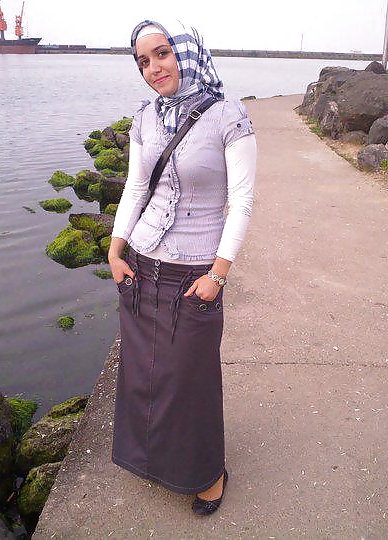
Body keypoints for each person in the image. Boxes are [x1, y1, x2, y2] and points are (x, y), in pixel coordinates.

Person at [106, 19, 257, 517]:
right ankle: (155, 462)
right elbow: (135, 189)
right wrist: (115, 250)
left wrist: (217, 275)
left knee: (190, 380)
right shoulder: (145, 117)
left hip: (193, 275)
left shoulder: (227, 115)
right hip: (140, 266)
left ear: (186, 53)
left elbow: (242, 202)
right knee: (143, 375)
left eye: (162, 53)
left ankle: (209, 473)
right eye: (143, 61)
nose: (154, 68)